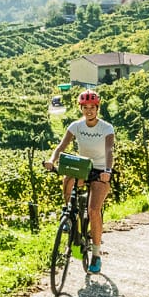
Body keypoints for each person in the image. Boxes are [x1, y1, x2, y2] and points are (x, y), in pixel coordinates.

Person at [45, 88, 115, 273]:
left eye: (92, 107)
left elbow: (109, 151)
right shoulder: (76, 126)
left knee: (93, 210)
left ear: (98, 108)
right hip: (84, 166)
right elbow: (61, 146)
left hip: (100, 170)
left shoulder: (106, 128)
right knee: (68, 178)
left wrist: (108, 170)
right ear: (81, 109)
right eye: (85, 107)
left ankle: (96, 254)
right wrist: (52, 160)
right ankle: (69, 213)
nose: (89, 111)